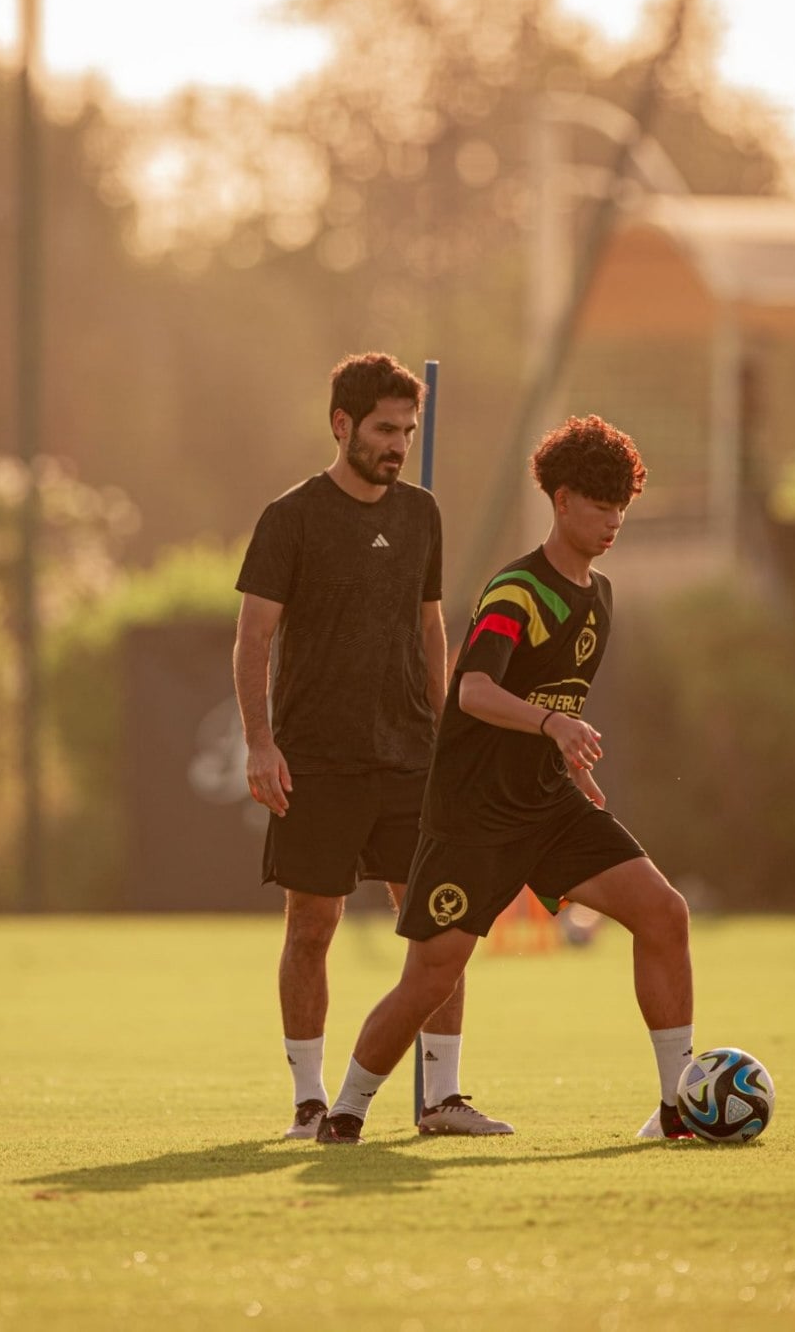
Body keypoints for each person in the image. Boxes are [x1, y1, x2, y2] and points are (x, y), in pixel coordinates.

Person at [316, 413, 695, 1144]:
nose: (614, 521)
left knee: (664, 913)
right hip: (473, 815)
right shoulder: (518, 590)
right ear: (562, 500)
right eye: (600, 505)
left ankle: (680, 1106)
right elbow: (474, 691)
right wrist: (553, 725)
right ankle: (347, 1111)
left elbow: (552, 701)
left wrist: (564, 754)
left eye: (622, 507)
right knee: (432, 976)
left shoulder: (600, 594)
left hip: (549, 807)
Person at [233, 352, 513, 1140]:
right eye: (385, 429)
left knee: (442, 924)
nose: (398, 444)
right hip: (316, 759)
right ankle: (308, 1100)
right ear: (341, 424)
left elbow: (431, 626)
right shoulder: (290, 517)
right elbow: (254, 637)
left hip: (411, 757)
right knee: (311, 927)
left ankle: (441, 1098)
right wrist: (260, 741)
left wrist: (450, 734)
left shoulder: (422, 513)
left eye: (408, 430)